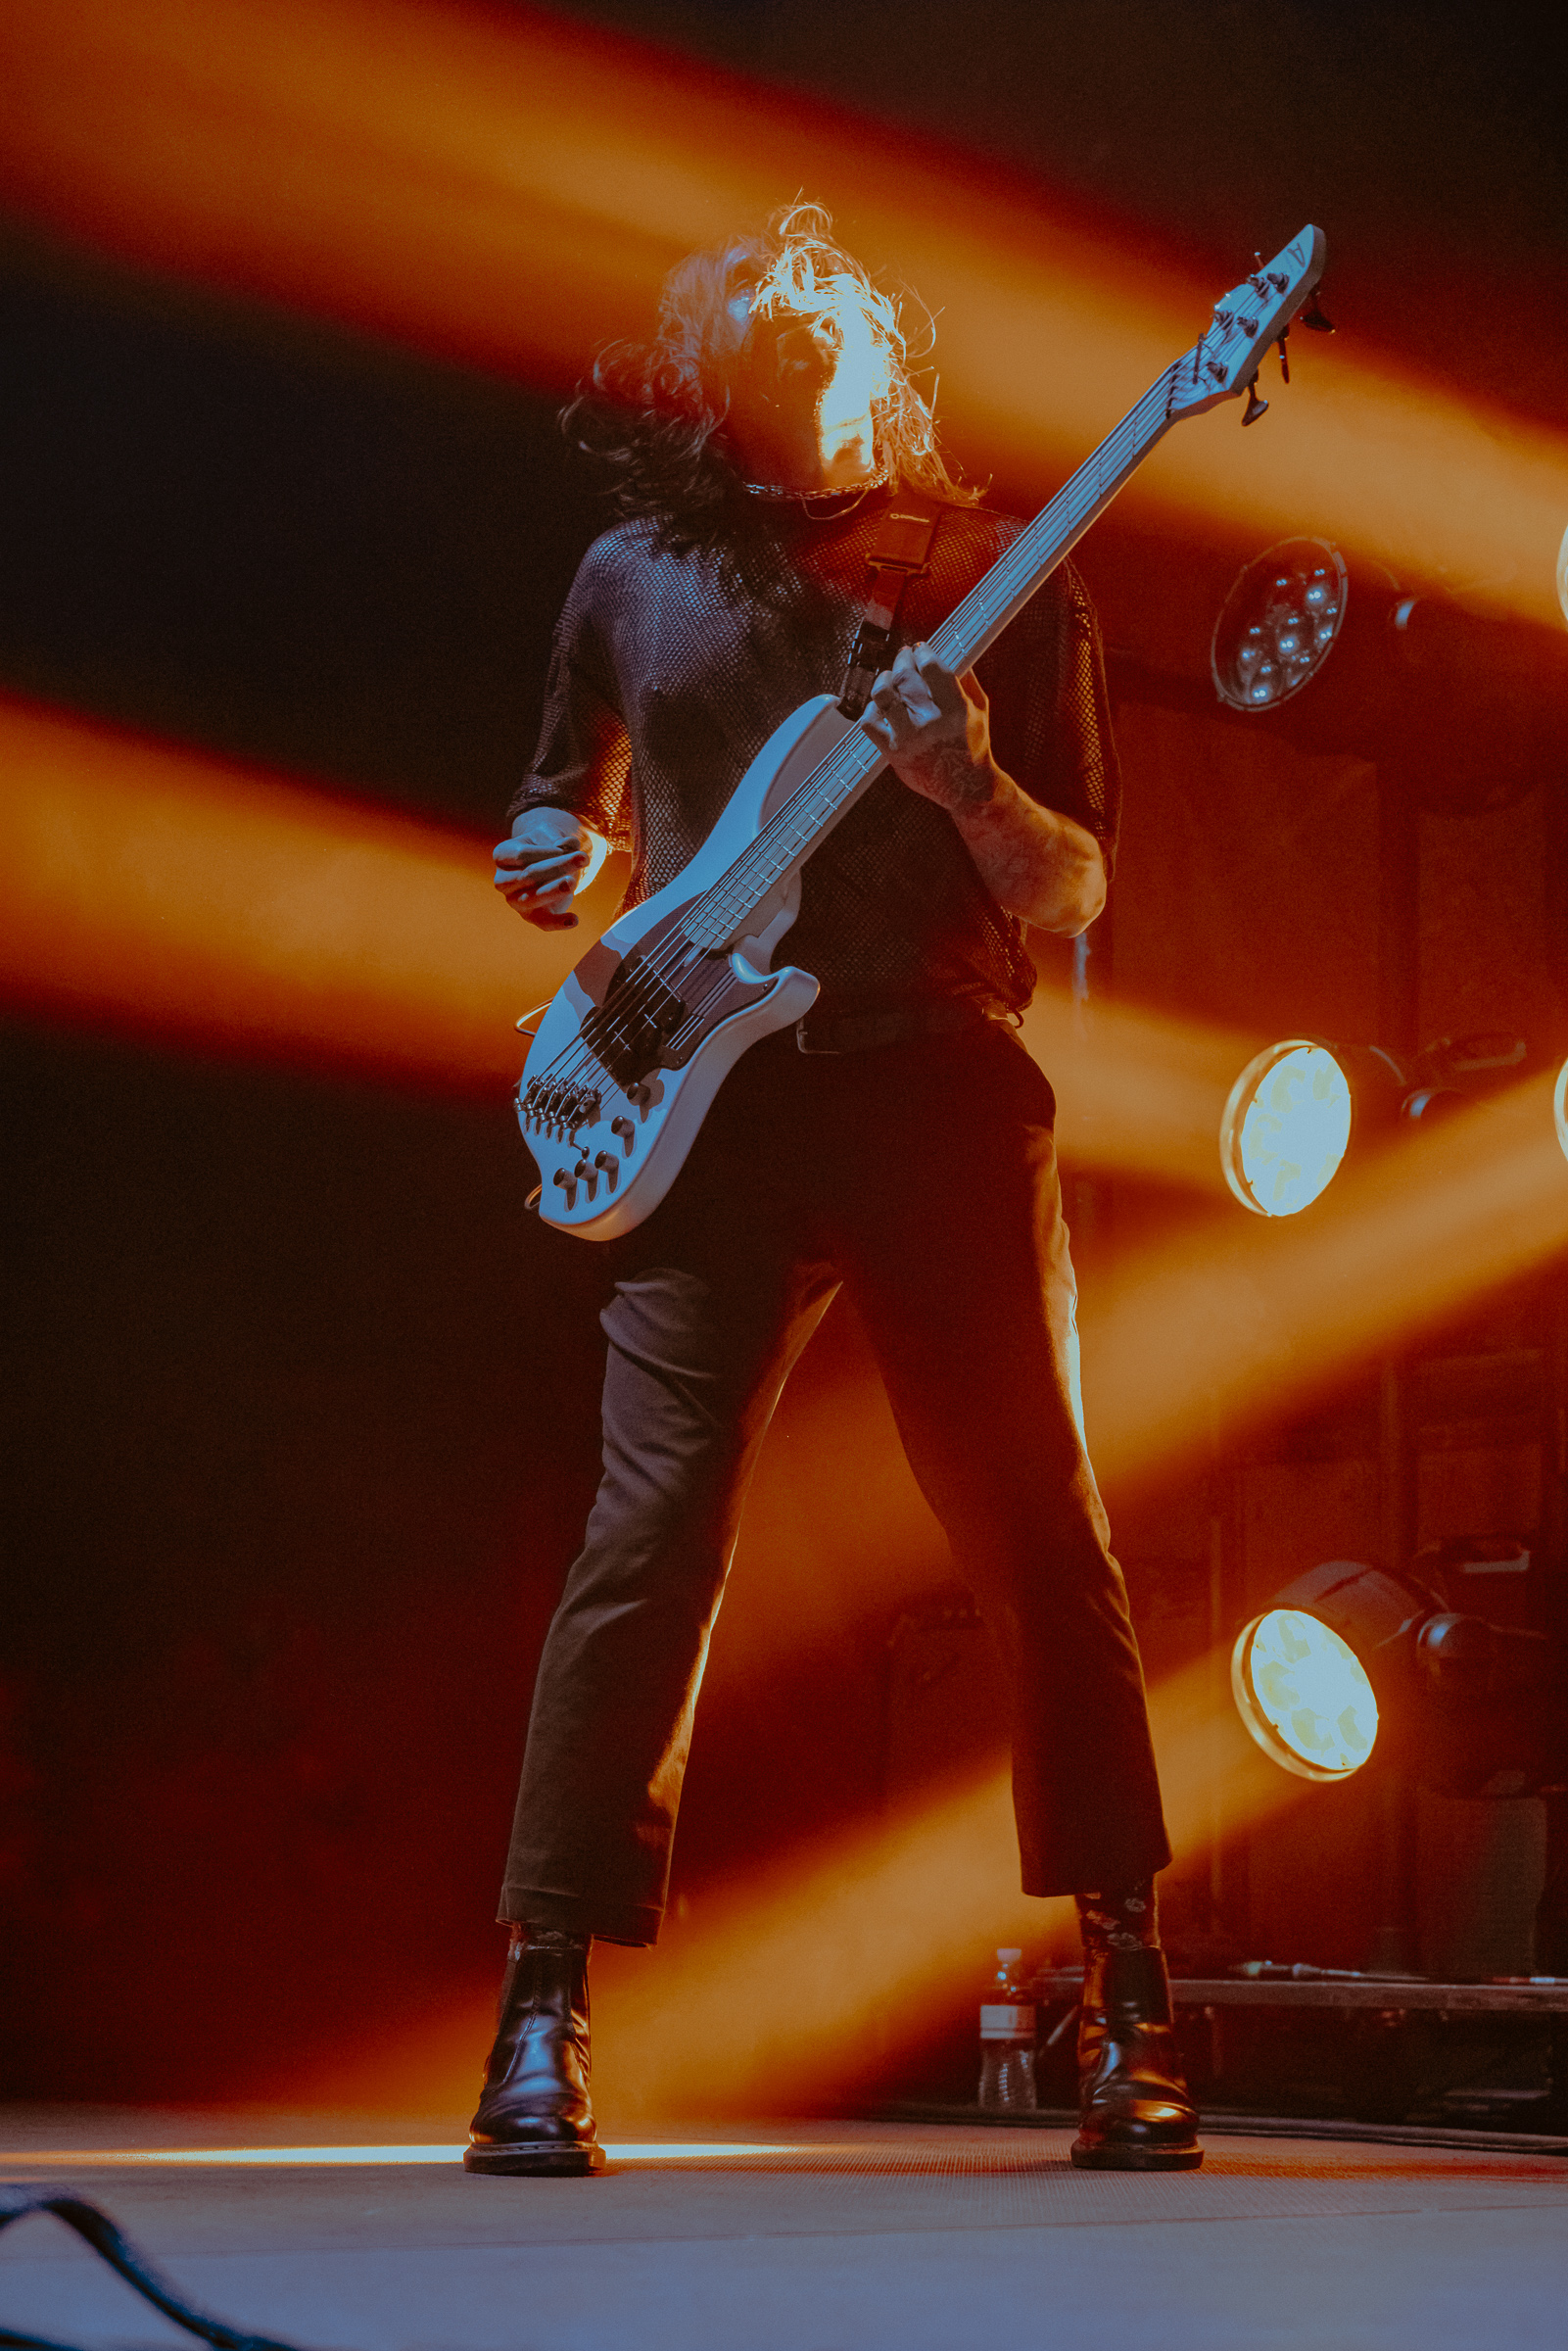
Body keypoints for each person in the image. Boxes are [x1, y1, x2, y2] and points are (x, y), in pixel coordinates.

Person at [472, 206, 1200, 2176]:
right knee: (648, 1542)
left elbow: (1072, 883)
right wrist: (554, 851)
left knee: (1034, 1525)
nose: (789, 293)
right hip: (698, 1110)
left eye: (824, 288)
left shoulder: (990, 569)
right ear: (701, 373)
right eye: (750, 302)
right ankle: (542, 2012)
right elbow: (566, 796)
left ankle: (1129, 1995)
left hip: (934, 1084)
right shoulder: (635, 573)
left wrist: (965, 782)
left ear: (879, 341)